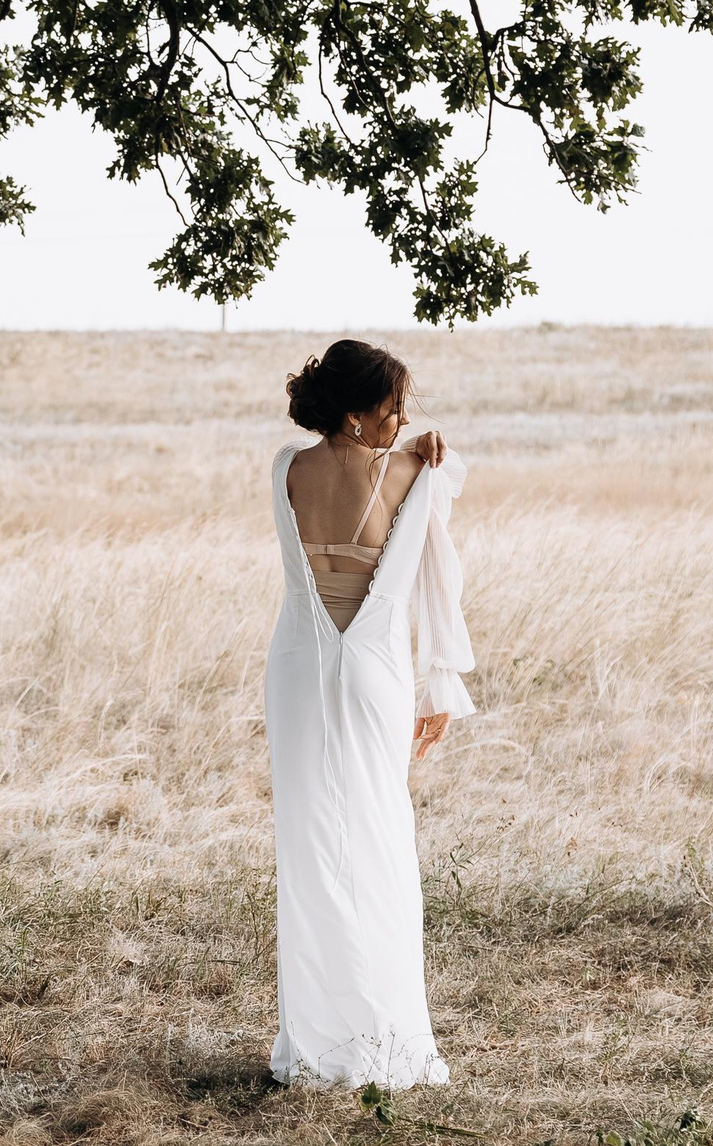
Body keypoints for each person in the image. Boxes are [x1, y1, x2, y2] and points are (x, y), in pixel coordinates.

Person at [264, 338, 476, 1090]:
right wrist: (438, 683)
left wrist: (405, 449)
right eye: (392, 409)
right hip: (371, 674)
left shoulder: (286, 469)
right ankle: (385, 1034)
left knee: (311, 847)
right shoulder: (416, 471)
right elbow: (437, 575)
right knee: (379, 843)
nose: (404, 419)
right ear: (356, 415)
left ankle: (317, 1039)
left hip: (294, 671)